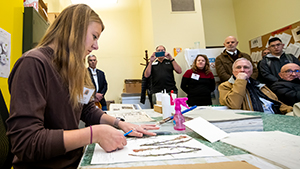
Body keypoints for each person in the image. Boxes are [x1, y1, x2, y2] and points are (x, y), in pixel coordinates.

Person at [6, 4, 159, 169]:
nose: (96, 46)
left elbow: (86, 109)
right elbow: (27, 142)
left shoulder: (73, 68)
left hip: (75, 161)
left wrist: (120, 123)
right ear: (74, 29)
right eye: (94, 36)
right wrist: (95, 134)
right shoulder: (33, 64)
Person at [218, 58, 292, 114]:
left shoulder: (259, 85)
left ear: (251, 71)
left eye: (246, 67)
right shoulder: (225, 86)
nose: (242, 70)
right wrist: (240, 81)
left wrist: (291, 110)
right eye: (238, 67)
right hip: (253, 120)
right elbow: (234, 105)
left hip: (275, 115)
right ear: (233, 71)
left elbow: (276, 102)